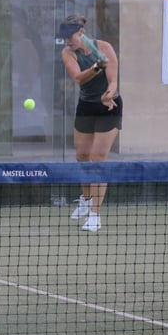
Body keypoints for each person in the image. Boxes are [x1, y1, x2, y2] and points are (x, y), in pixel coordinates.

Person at [57, 14, 122, 232]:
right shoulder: (67, 53)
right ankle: (85, 200)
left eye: (70, 37)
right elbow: (78, 78)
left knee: (97, 159)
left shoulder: (105, 47)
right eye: (65, 38)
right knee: (82, 156)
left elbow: (113, 80)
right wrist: (95, 67)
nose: (68, 41)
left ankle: (95, 215)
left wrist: (108, 95)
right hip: (86, 107)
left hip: (108, 107)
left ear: (81, 33)